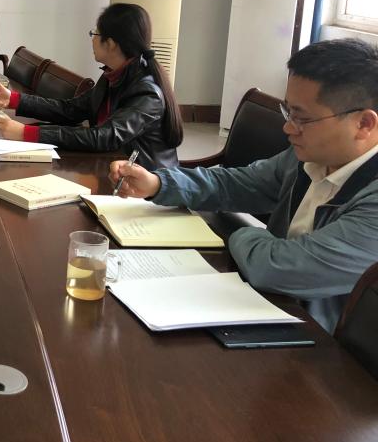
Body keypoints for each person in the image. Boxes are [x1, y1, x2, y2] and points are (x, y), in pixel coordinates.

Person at [110, 38, 378, 332]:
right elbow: (238, 183)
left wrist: (238, 233)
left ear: (364, 124)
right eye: (288, 112)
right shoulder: (310, 157)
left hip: (321, 343)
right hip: (266, 306)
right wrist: (159, 183)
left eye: (302, 118)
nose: (288, 127)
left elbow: (277, 269)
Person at [0, 3, 183, 169]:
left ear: (111, 43)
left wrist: (26, 133)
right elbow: (71, 110)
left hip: (145, 184)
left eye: (95, 33)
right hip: (111, 167)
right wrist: (14, 99)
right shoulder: (112, 75)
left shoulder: (147, 92)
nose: (92, 39)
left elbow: (105, 137)